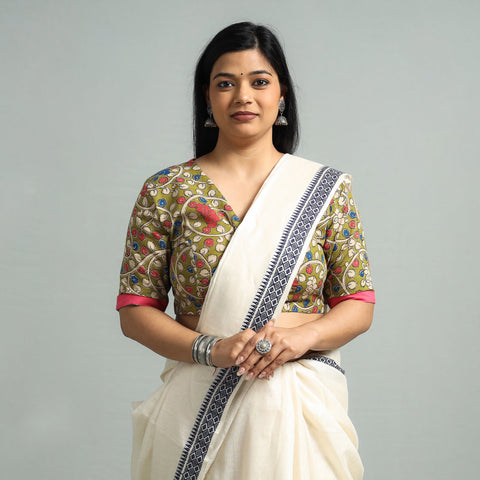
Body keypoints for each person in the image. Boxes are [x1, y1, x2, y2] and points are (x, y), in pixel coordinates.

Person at [116, 21, 375, 480]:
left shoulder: (326, 190)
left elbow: (358, 303)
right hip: (196, 402)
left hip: (301, 406)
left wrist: (304, 337)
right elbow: (135, 312)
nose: (243, 97)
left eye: (259, 82)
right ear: (207, 97)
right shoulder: (167, 190)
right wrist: (211, 349)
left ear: (282, 95)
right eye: (225, 83)